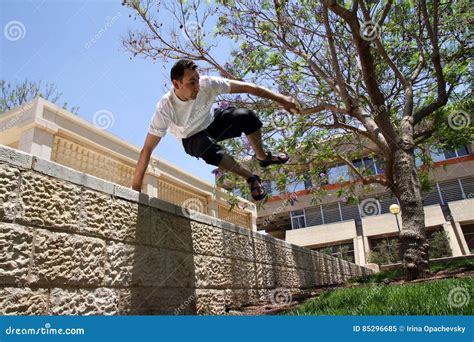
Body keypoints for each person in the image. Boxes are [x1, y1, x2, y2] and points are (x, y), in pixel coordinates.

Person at [132, 59, 299, 200]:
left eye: (197, 80)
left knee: (246, 116)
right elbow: (147, 149)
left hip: (212, 122)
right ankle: (251, 177)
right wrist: (136, 190)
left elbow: (248, 87)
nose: (197, 86)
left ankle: (263, 157)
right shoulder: (165, 108)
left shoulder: (207, 84)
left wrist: (282, 99)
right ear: (176, 84)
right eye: (191, 82)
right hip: (191, 137)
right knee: (207, 148)